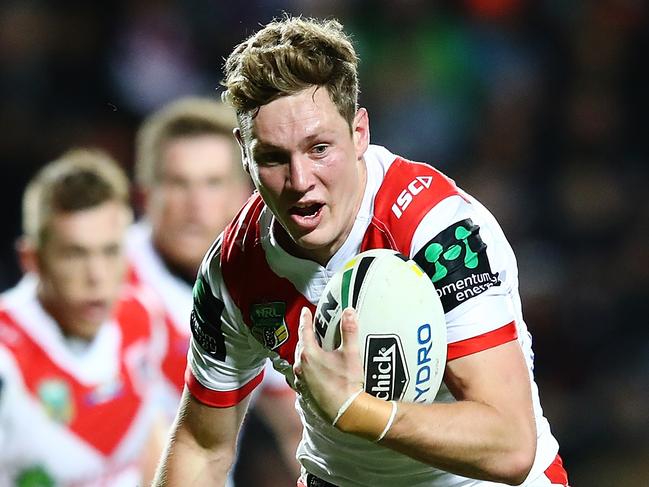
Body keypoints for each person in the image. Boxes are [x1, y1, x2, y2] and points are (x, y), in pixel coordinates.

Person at [154, 16, 570, 487]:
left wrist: (359, 411)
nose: (300, 181)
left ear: (359, 134)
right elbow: (203, 444)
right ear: (244, 154)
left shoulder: (438, 232)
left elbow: (510, 445)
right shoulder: (234, 267)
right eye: (272, 157)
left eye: (319, 148)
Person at [128, 96, 302, 482]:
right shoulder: (103, 281)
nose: (196, 205)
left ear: (247, 194)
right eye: (178, 183)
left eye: (212, 183)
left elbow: (300, 432)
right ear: (145, 195)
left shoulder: (264, 288)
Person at [0, 149, 165, 486]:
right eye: (75, 254)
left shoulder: (143, 316)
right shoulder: (5, 357)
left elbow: (153, 438)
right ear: (31, 259)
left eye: (110, 251)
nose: (97, 276)